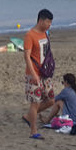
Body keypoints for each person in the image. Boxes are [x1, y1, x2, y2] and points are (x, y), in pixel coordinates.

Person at [22, 8, 55, 139]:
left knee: (51, 100)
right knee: (35, 103)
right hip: (33, 73)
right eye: (48, 22)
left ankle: (29, 116)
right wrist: (33, 75)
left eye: (51, 22)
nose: (49, 25)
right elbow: (27, 56)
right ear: (41, 20)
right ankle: (33, 131)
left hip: (45, 73)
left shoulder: (45, 34)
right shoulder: (30, 35)